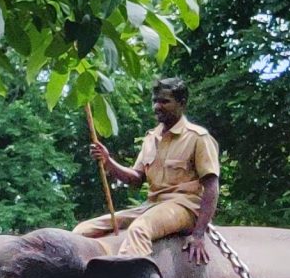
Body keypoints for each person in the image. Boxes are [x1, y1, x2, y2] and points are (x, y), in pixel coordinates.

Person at [79, 76, 220, 262]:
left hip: (185, 207)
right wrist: (108, 161)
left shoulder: (198, 138)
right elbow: (136, 179)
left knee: (140, 229)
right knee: (83, 230)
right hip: (152, 206)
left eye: (164, 101)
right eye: (155, 101)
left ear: (182, 103)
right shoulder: (151, 138)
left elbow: (211, 187)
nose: (157, 106)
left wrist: (199, 234)